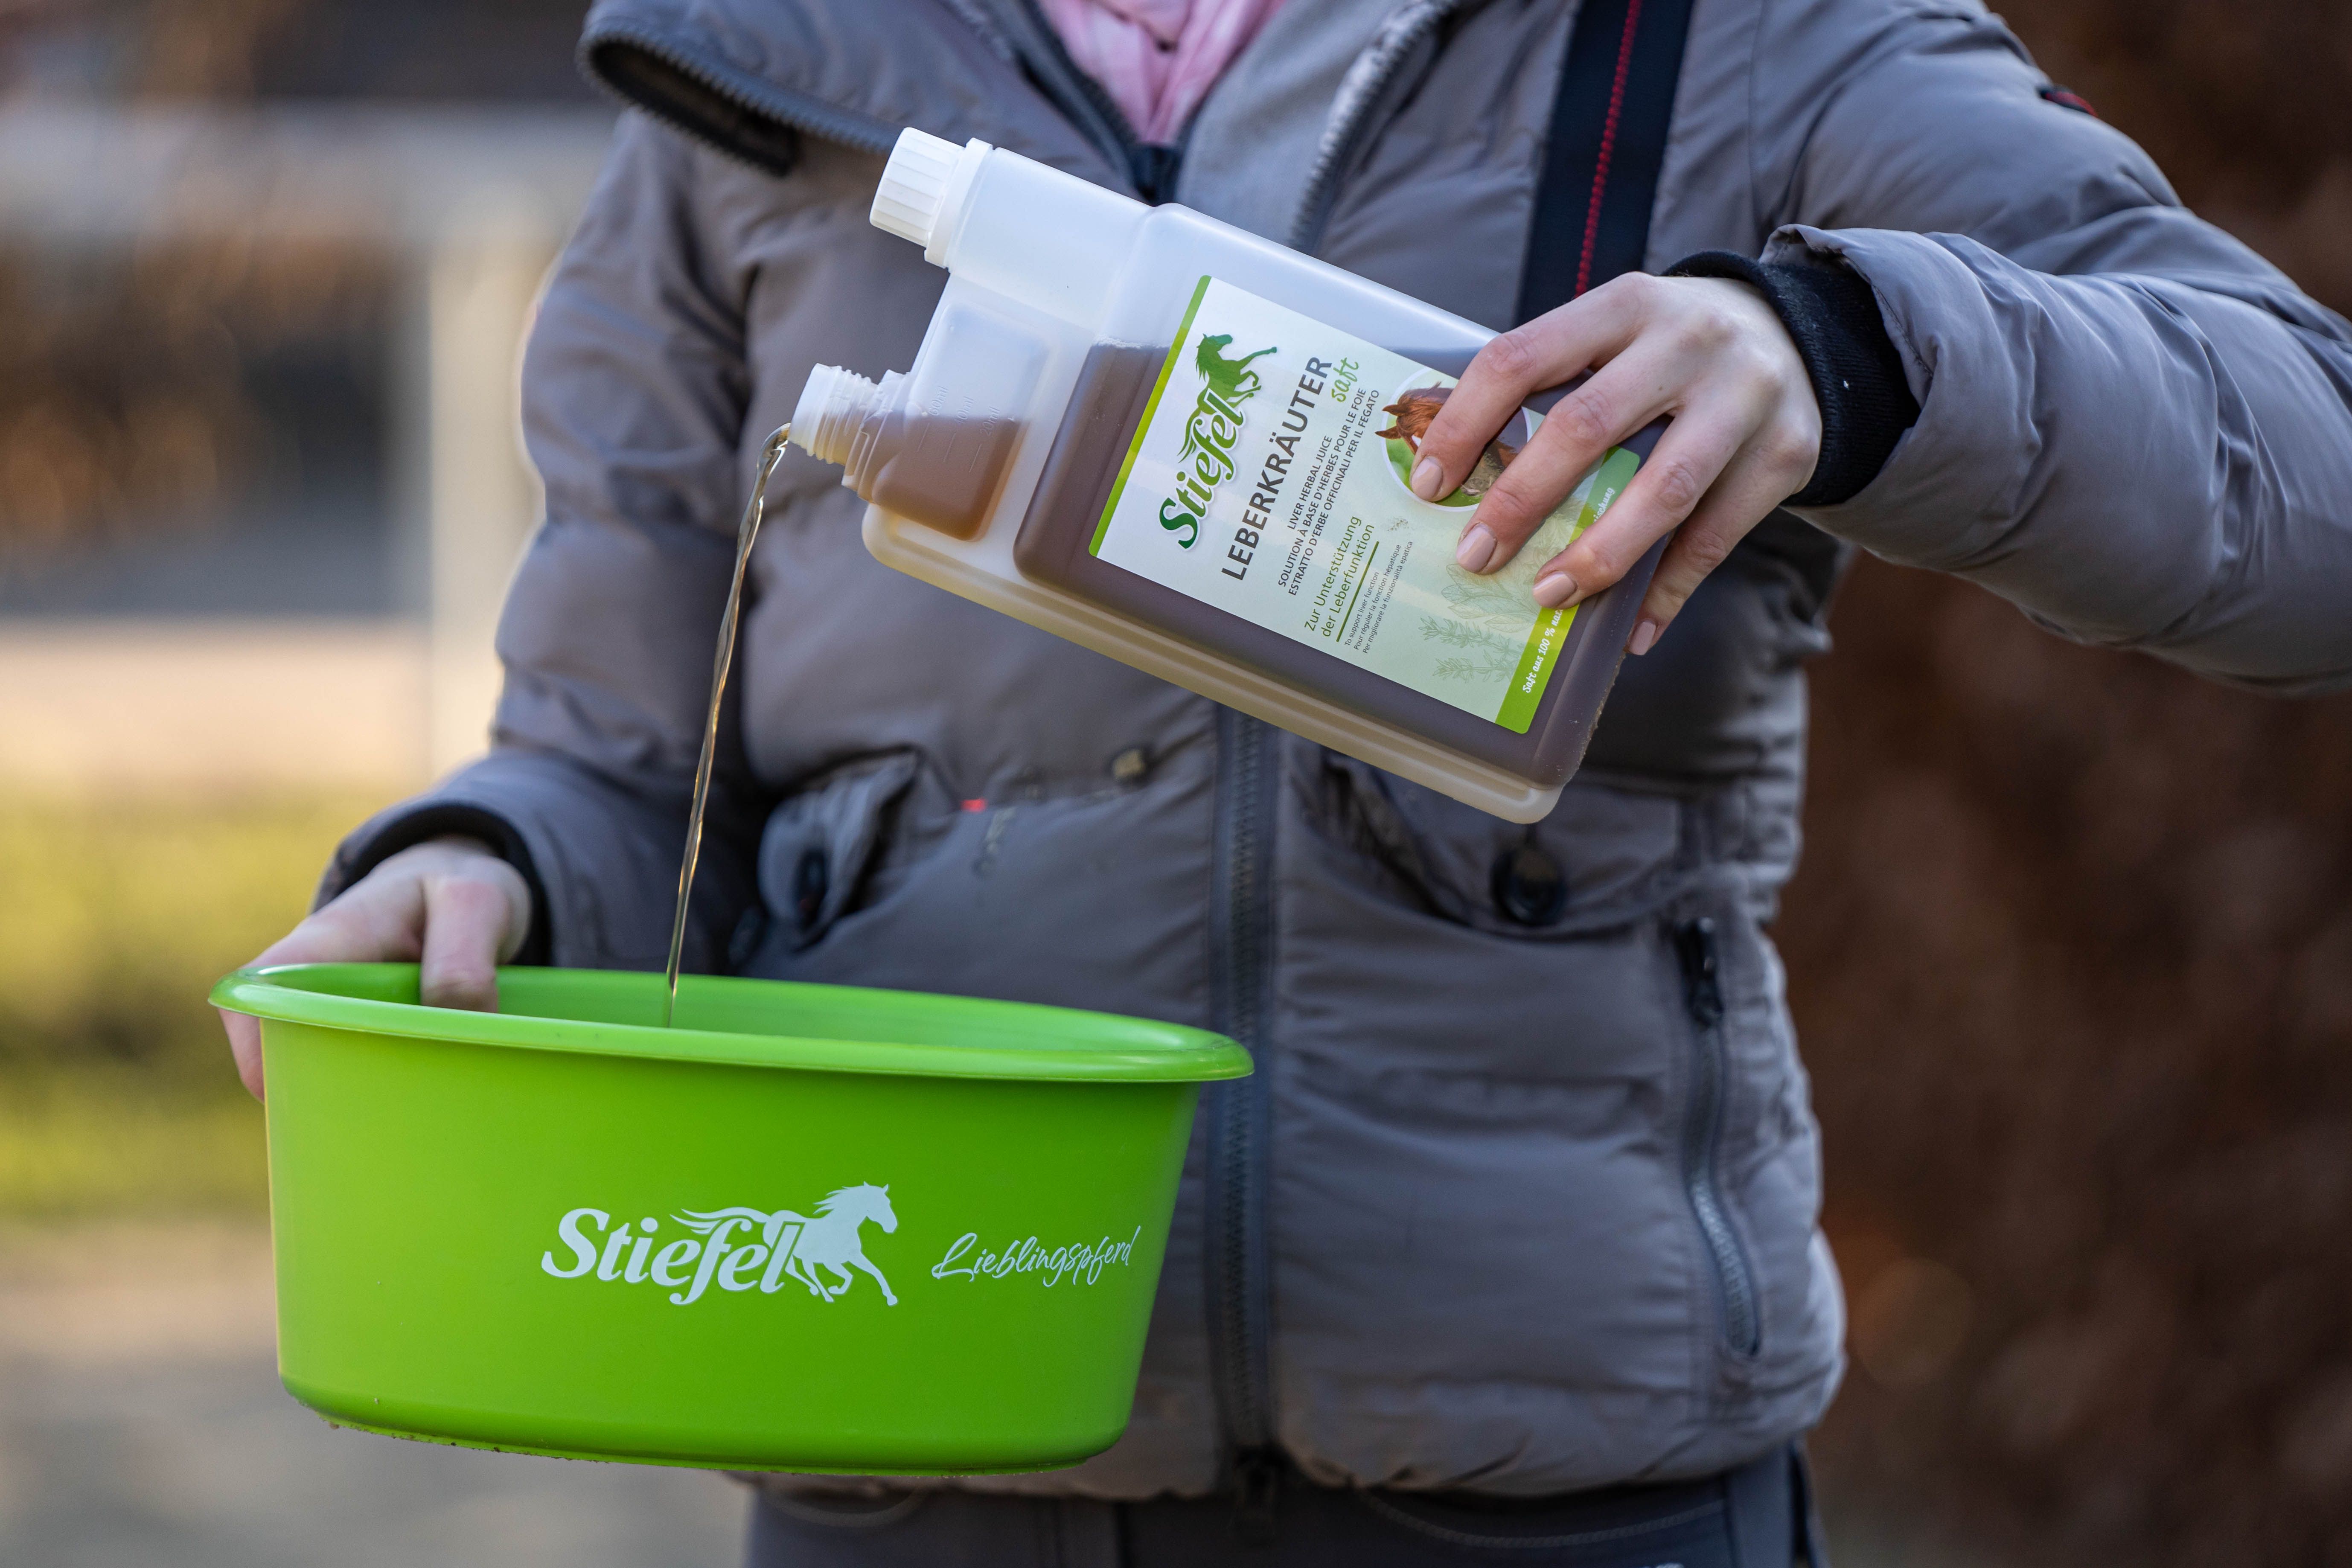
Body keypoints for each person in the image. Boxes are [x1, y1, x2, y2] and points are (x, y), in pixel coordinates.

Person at [218, 0, 2352, 1562]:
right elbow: (614, 751)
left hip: (1554, 1482)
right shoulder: (765, 62)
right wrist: (486, 860)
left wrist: (1858, 346)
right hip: (897, 1445)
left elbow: (2310, 475)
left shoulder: (1730, 45)